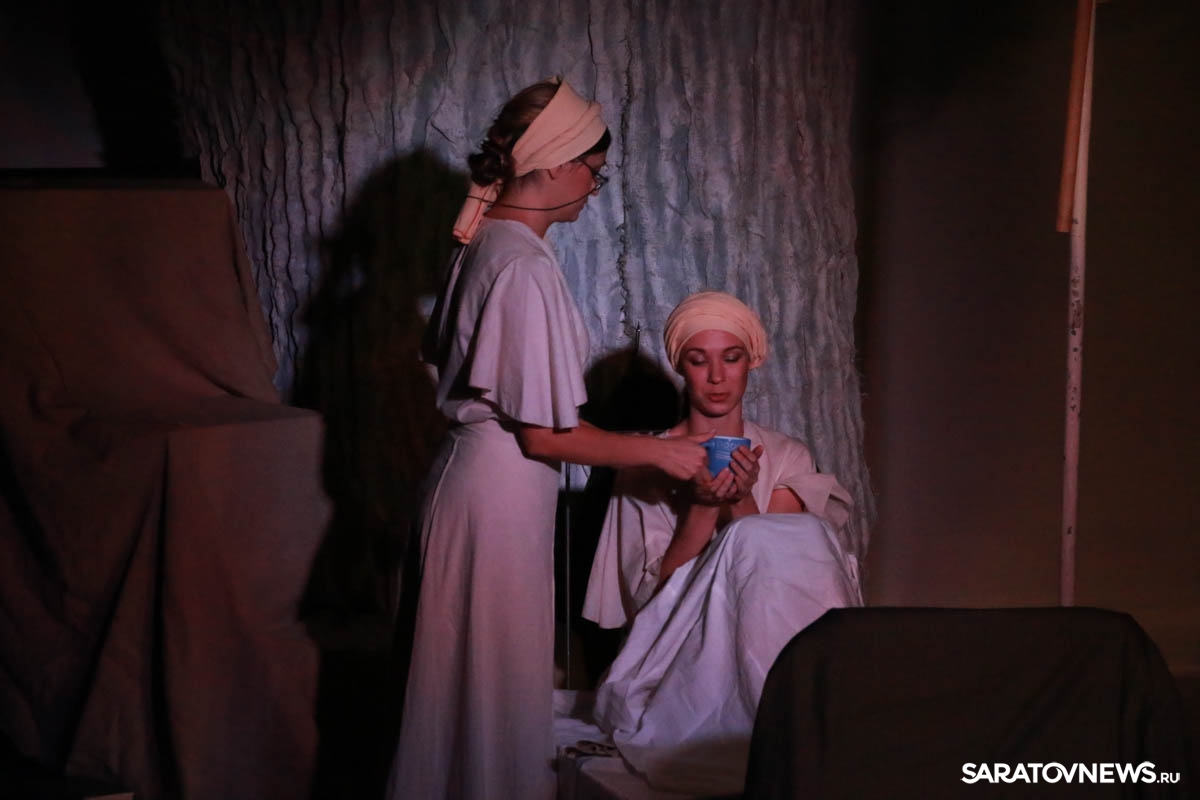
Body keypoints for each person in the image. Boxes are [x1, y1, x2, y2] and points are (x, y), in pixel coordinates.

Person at [385, 78, 712, 800]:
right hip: (495, 495)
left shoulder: (485, 242)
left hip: (478, 488)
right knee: (489, 690)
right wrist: (662, 450)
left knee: (474, 690)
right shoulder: (520, 264)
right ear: (558, 162)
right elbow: (542, 435)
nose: (594, 188)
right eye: (595, 172)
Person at [582, 291, 863, 796]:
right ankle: (780, 729)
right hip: (680, 648)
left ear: (750, 362)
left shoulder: (786, 455)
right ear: (681, 368)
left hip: (780, 644)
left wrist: (739, 497)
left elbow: (780, 577)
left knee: (801, 533)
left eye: (730, 358)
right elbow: (653, 603)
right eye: (699, 360)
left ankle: (796, 718)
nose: (716, 377)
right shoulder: (646, 462)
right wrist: (703, 505)